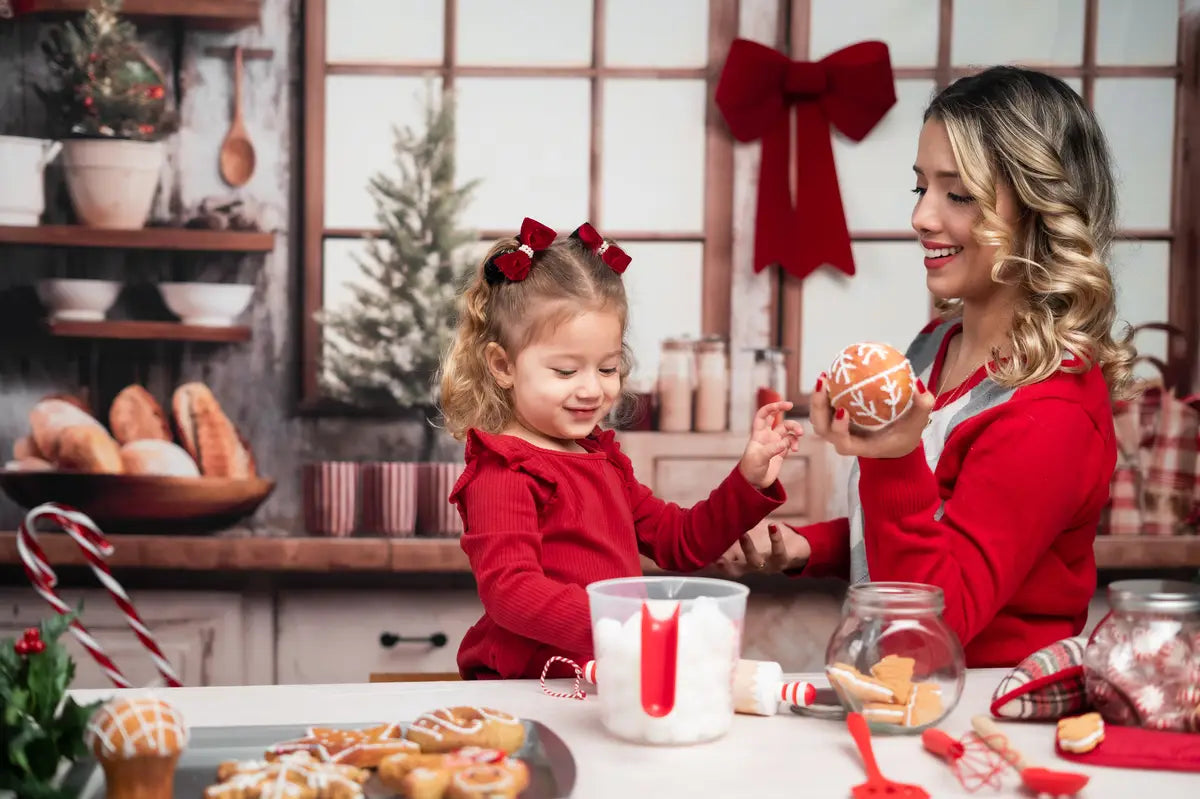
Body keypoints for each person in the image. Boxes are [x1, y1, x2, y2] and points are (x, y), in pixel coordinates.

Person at [721, 66, 1136, 668]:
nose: (922, 218)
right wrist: (805, 546)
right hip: (899, 692)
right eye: (922, 189)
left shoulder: (1051, 410)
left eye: (959, 194)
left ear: (1040, 208)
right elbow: (925, 526)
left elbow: (929, 629)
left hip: (985, 709)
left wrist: (890, 458)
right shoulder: (938, 342)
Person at [438, 217, 804, 680]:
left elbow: (681, 542)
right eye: (566, 372)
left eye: (607, 369)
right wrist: (626, 625)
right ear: (502, 365)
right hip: (531, 683)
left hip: (605, 674)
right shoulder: (504, 471)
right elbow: (512, 594)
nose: (591, 389)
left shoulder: (603, 460)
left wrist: (748, 479)